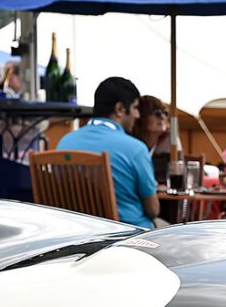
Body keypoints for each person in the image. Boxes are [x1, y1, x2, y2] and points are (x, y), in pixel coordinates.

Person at [56, 77, 161, 228]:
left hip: (76, 234)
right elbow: (153, 210)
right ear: (119, 109)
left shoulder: (64, 143)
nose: (137, 115)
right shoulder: (136, 149)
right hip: (128, 235)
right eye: (135, 108)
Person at [134, 94, 171, 183]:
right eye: (157, 113)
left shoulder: (169, 144)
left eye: (165, 113)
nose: (162, 117)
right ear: (141, 117)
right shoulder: (132, 146)